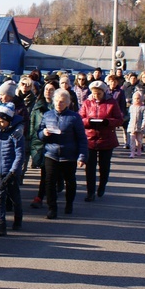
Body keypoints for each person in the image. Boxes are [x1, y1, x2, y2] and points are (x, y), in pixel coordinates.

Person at [38, 89, 88, 219]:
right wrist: (44, 133)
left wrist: (82, 156)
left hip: (68, 155)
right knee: (49, 181)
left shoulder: (74, 117)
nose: (58, 104)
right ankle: (52, 208)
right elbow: (39, 133)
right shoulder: (47, 115)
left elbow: (82, 138)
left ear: (67, 103)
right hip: (51, 153)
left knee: (70, 181)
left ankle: (69, 203)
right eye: (56, 101)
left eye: (61, 102)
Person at [79, 80, 124, 201]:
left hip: (106, 139)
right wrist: (89, 121)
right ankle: (90, 192)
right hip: (90, 138)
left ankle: (102, 185)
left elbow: (119, 119)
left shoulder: (112, 103)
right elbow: (80, 118)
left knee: (104, 166)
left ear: (103, 92)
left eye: (98, 93)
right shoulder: (87, 103)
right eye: (94, 93)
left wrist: (108, 122)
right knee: (90, 167)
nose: (96, 96)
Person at [0, 103, 24, 235]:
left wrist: (13, 171)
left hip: (10, 171)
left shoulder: (16, 133)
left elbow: (20, 154)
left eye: (2, 121)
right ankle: (1, 223)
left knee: (14, 196)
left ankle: (18, 219)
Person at [28, 80, 59, 209]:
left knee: (48, 173)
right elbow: (32, 124)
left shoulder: (59, 106)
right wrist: (32, 139)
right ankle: (43, 195)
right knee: (44, 172)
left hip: (54, 143)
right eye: (46, 89)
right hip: (39, 142)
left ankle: (41, 196)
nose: (48, 92)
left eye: (51, 89)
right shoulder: (37, 105)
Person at [127, 91, 145, 158]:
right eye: (135, 98)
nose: (137, 100)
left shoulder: (143, 108)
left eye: (138, 98)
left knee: (139, 141)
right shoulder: (131, 107)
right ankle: (132, 152)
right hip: (132, 126)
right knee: (132, 140)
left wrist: (143, 125)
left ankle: (139, 150)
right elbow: (129, 116)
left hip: (140, 127)